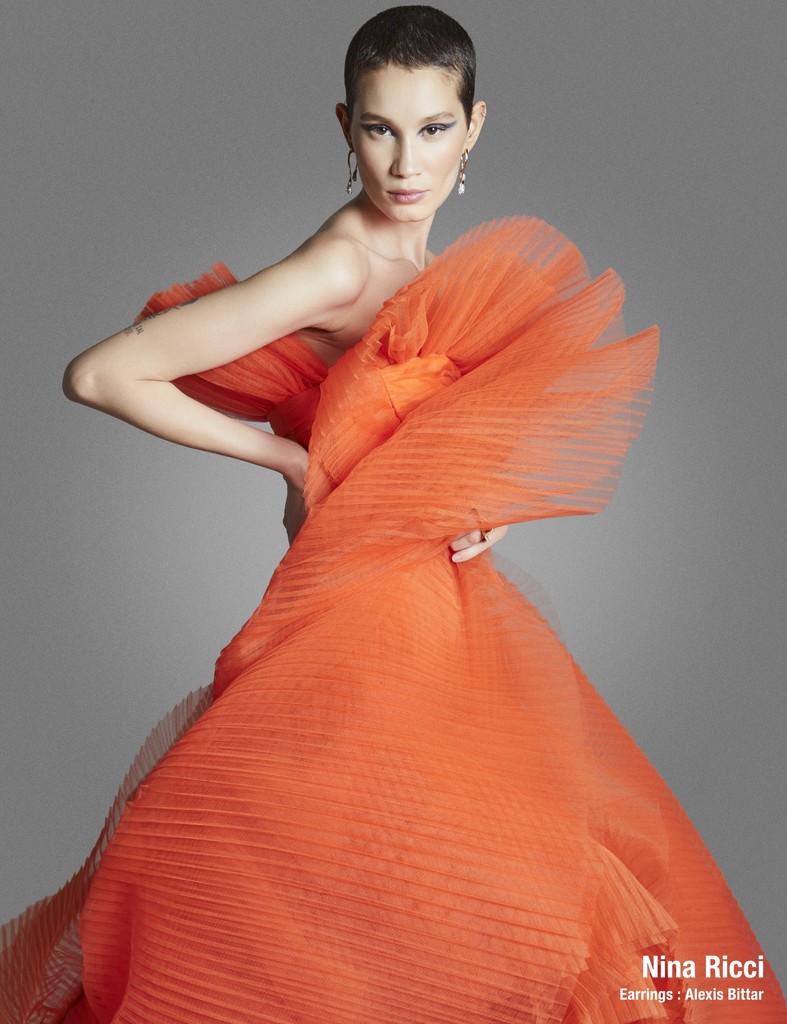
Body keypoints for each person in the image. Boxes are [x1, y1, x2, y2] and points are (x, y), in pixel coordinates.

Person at [1, 5, 785, 1023]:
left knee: (451, 883)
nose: (406, 161)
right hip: (359, 621)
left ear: (474, 127)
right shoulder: (341, 266)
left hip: (440, 612)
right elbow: (102, 373)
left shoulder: (427, 271)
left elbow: (430, 434)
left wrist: (488, 500)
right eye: (379, 129)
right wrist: (285, 455)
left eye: (431, 128)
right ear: (344, 126)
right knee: (420, 887)